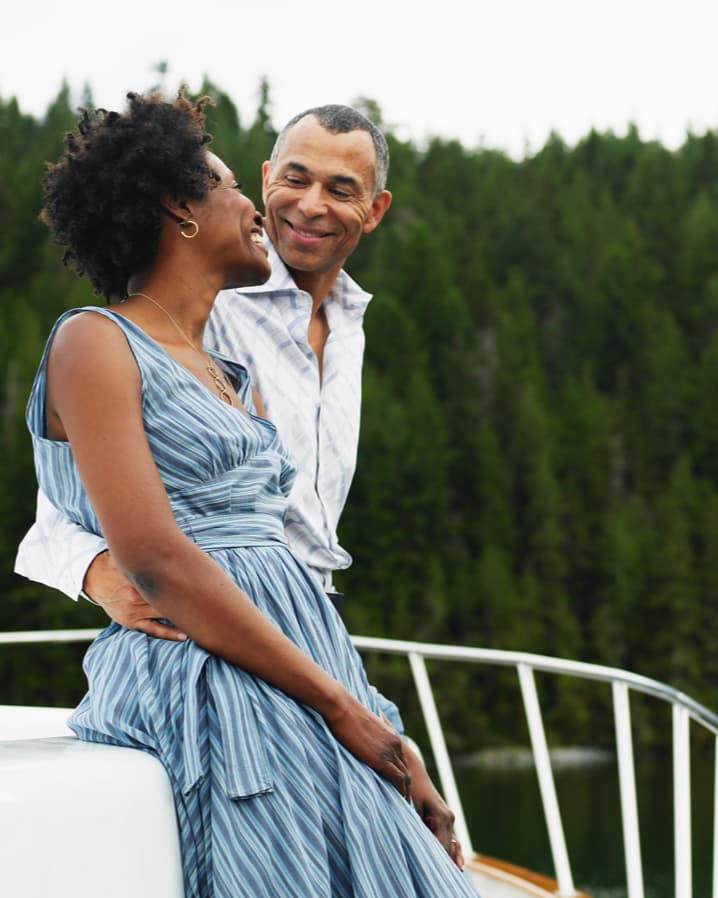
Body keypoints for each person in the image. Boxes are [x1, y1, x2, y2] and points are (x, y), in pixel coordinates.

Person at [26, 90, 476, 897]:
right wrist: (112, 577)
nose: (297, 207)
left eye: (341, 189)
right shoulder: (115, 336)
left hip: (309, 644)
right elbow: (108, 531)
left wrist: (367, 712)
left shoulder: (271, 356)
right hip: (224, 651)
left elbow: (282, 544)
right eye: (282, 180)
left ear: (374, 212)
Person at [16, 102, 387, 638]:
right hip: (217, 629)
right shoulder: (198, 303)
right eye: (296, 179)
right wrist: (94, 571)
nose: (311, 206)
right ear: (266, 179)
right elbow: (66, 487)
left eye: (341, 190)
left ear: (374, 211)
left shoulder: (351, 324)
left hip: (315, 623)